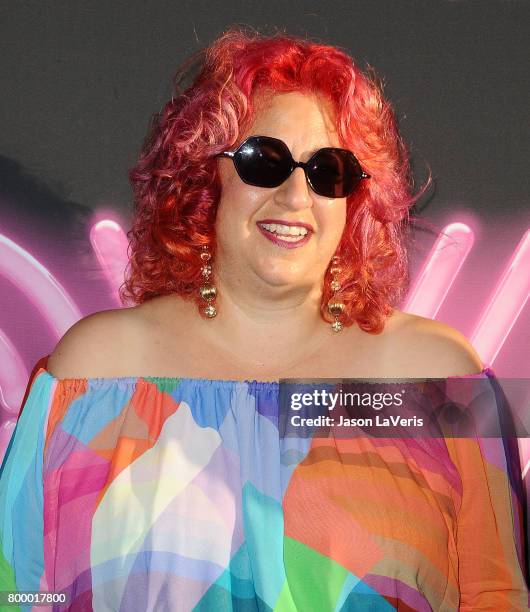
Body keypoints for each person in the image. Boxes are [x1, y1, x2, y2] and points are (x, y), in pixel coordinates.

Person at [0, 27, 527, 611]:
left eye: (329, 170)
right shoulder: (92, 373)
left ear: (353, 202)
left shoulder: (440, 380)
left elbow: (495, 593)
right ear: (206, 177)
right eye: (265, 160)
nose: (297, 196)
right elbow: (18, 588)